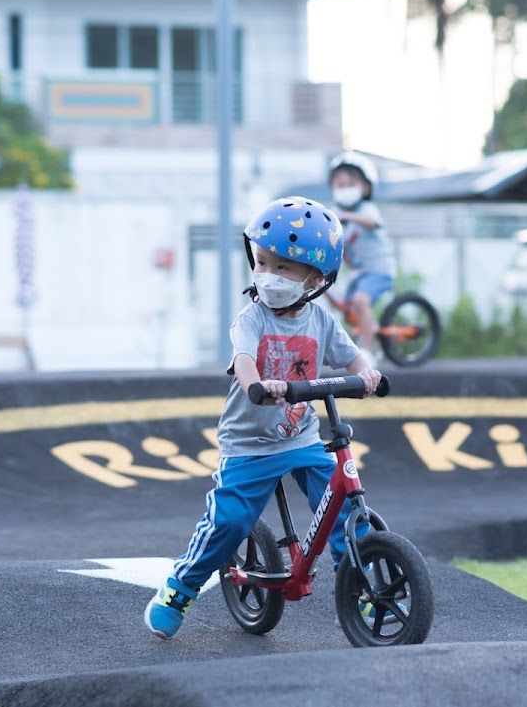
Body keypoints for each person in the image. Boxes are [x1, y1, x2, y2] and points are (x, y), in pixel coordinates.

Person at [144, 197, 382, 640]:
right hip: (249, 445)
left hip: (302, 437)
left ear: (315, 279)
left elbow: (352, 356)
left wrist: (366, 373)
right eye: (264, 263)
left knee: (346, 506)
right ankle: (181, 586)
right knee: (231, 521)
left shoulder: (321, 321)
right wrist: (260, 384)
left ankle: (359, 591)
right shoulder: (250, 318)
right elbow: (244, 358)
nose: (270, 276)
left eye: (284, 268)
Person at [328, 152, 396, 352]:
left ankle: (368, 348)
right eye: (340, 185)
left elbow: (373, 223)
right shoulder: (340, 220)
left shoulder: (366, 208)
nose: (344, 189)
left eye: (350, 184)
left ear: (365, 188)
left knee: (360, 300)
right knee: (344, 307)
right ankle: (367, 332)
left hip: (379, 271)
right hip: (359, 274)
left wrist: (346, 215)